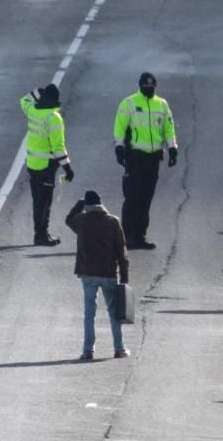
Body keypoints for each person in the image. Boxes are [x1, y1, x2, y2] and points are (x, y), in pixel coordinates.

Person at [113, 72, 178, 250]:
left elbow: (168, 127)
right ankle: (127, 237)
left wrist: (173, 148)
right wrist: (119, 147)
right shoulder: (129, 103)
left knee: (146, 199)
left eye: (151, 87)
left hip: (153, 158)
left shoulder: (162, 105)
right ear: (140, 86)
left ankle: (140, 236)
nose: (148, 89)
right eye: (145, 87)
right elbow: (120, 127)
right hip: (135, 157)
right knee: (132, 197)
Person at [66, 190, 129, 360]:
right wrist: (124, 275)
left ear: (87, 206)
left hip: (87, 273)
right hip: (108, 273)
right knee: (114, 312)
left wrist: (80, 204)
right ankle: (119, 348)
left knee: (89, 313)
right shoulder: (112, 222)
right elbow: (121, 250)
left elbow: (68, 219)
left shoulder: (81, 221)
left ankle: (88, 350)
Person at [21, 84, 74, 246]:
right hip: (46, 166)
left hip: (32, 164)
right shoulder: (53, 117)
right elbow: (58, 146)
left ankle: (40, 233)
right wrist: (67, 168)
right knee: (44, 203)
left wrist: (38, 90)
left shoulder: (32, 110)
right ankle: (41, 235)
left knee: (37, 200)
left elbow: (24, 99)